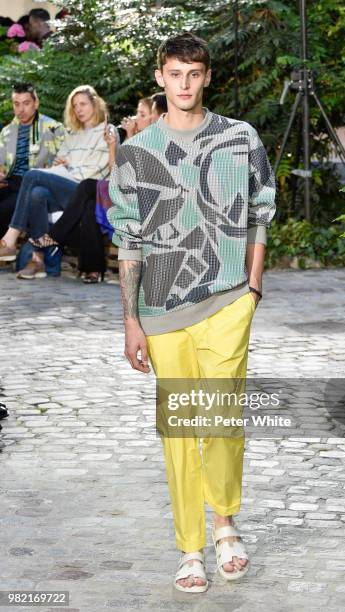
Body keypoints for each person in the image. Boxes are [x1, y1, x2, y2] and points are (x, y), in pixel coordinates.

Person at [107, 32, 276, 593]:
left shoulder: (239, 137)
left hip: (229, 298)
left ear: (206, 77)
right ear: (160, 77)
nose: (184, 84)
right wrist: (130, 319)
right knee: (180, 432)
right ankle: (190, 547)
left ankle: (226, 523)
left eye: (194, 74)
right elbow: (128, 238)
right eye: (174, 74)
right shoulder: (135, 153)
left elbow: (260, 211)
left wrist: (251, 285)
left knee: (222, 419)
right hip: (159, 306)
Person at [29, 94, 165, 283]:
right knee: (89, 204)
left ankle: (54, 236)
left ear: (156, 117)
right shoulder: (138, 137)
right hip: (123, 193)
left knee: (86, 186)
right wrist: (113, 146)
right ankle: (93, 269)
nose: (135, 118)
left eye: (141, 114)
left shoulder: (157, 140)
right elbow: (117, 172)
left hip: (138, 201)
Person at [0, 85, 114, 279]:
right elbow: (60, 162)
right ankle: (42, 263)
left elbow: (101, 171)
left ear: (95, 104)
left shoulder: (107, 131)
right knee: (38, 194)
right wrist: (60, 165)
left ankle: (10, 237)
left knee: (32, 175)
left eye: (83, 104)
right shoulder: (72, 134)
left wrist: (68, 168)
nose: (78, 109)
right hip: (67, 188)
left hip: (86, 192)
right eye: (75, 105)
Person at [0, 82, 64, 247]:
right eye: (16, 104)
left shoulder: (54, 129)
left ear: (36, 103)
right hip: (9, 182)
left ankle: (6, 247)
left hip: (34, 184)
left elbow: (64, 163)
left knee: (5, 208)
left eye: (26, 103)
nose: (21, 109)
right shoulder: (6, 132)